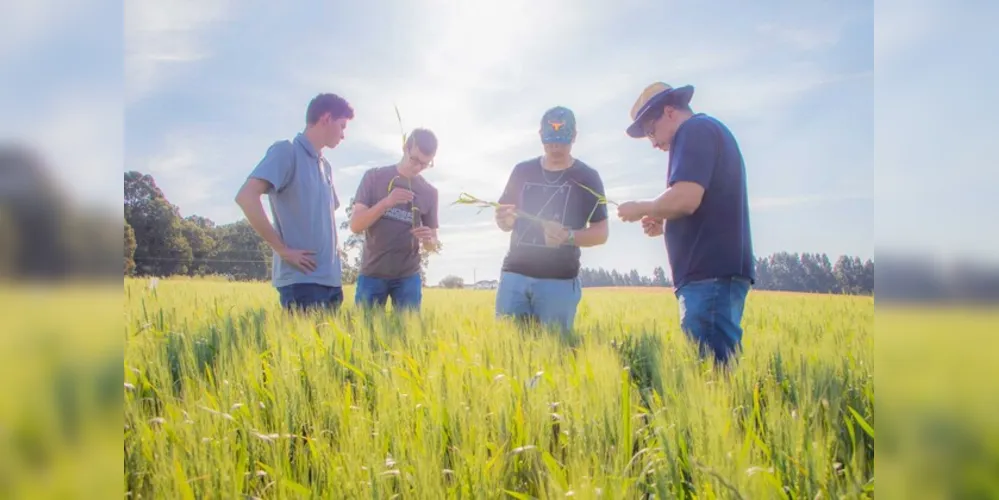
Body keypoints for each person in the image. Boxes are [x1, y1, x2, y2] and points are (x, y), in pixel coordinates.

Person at [616, 82, 755, 366]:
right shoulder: (706, 132)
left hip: (708, 276)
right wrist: (665, 222)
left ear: (669, 112)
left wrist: (641, 208)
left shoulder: (694, 131)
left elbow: (686, 198)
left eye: (651, 132)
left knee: (712, 377)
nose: (653, 143)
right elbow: (703, 205)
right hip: (713, 274)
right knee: (714, 372)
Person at [234, 93, 354, 312]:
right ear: (326, 118)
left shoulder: (326, 166)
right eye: (342, 126)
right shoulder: (286, 151)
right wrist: (281, 249)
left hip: (332, 282)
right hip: (302, 282)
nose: (343, 135)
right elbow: (246, 197)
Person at [494, 106, 609, 332]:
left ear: (574, 137)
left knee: (555, 355)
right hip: (514, 276)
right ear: (540, 136)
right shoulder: (521, 171)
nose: (555, 149)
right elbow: (504, 220)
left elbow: (601, 233)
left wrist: (568, 236)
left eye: (562, 143)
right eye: (550, 143)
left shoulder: (588, 177)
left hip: (559, 282)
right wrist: (504, 220)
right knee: (508, 354)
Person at [348, 128, 440, 311]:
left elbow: (433, 242)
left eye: (425, 164)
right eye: (415, 159)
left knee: (407, 336)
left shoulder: (429, 192)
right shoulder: (374, 177)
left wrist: (428, 239)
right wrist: (387, 203)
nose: (418, 168)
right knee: (366, 335)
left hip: (408, 276)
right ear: (406, 147)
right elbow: (355, 225)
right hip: (372, 273)